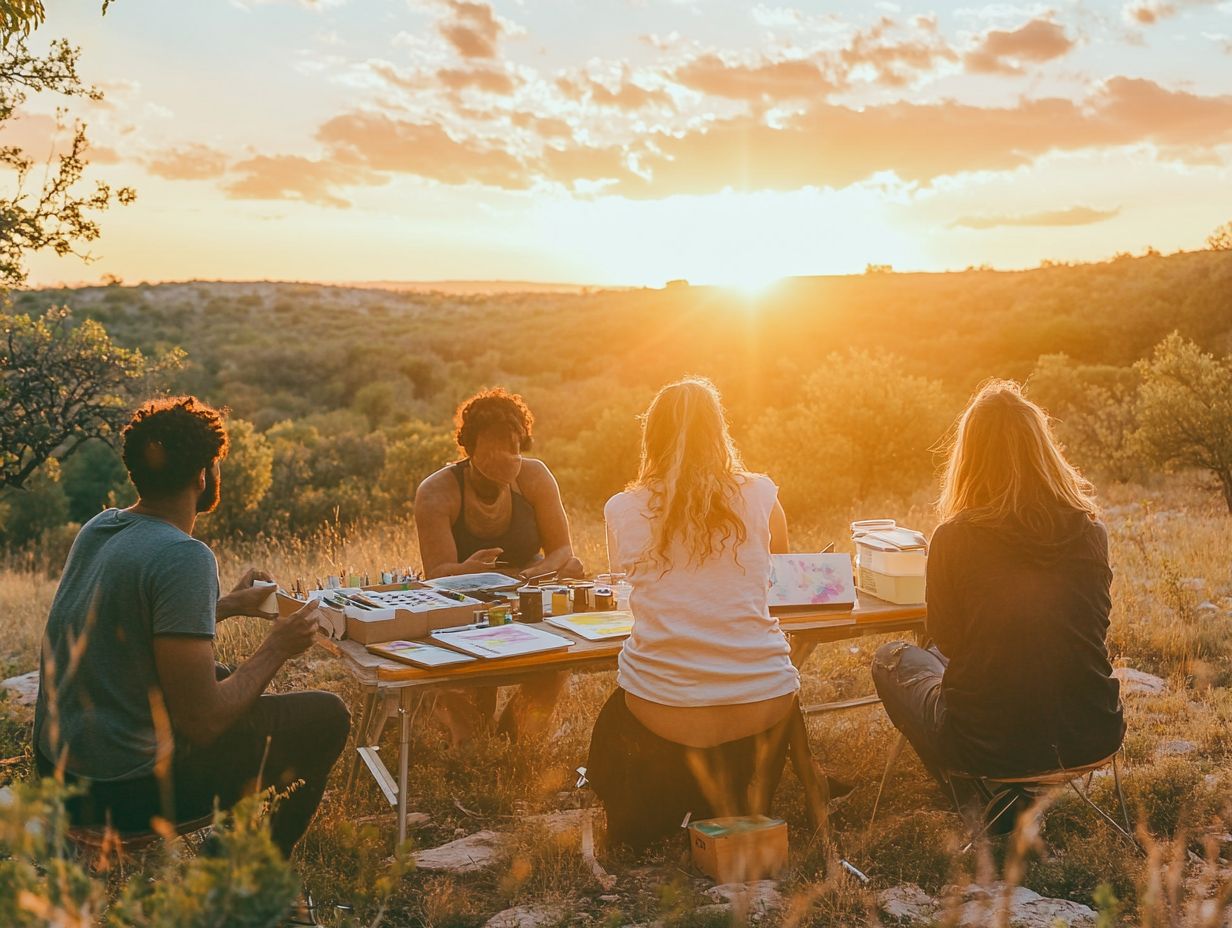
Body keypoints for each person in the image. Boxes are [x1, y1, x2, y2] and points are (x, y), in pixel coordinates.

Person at [34, 396, 350, 861]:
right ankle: (244, 871)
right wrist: (276, 647)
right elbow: (202, 724)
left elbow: (130, 626)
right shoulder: (184, 555)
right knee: (326, 716)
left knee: (219, 672)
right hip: (124, 796)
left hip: (60, 778)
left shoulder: (99, 528)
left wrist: (221, 606)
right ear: (205, 475)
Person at [871, 380, 1125, 806]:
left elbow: (948, 640)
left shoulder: (955, 537)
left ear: (969, 458)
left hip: (989, 745)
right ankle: (1002, 797)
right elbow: (1093, 623)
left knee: (891, 659)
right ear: (1044, 451)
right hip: (1092, 732)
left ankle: (979, 795)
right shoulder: (1091, 532)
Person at [586, 378, 803, 852]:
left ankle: (655, 814)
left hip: (664, 707)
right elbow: (779, 580)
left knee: (612, 724)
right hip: (763, 696)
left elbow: (627, 585)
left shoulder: (622, 509)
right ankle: (728, 798)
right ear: (719, 432)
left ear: (653, 439)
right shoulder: (762, 493)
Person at [414, 387, 582, 743]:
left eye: (514, 448)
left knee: (551, 669)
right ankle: (455, 719)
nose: (506, 460)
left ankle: (515, 736)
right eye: (493, 451)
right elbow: (438, 574)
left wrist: (524, 578)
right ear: (469, 448)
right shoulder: (437, 491)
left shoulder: (535, 477)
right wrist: (470, 572)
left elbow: (563, 550)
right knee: (472, 733)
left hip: (531, 594)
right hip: (466, 606)